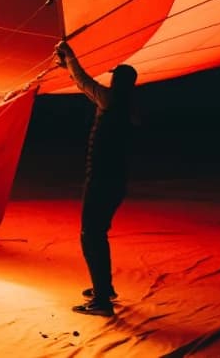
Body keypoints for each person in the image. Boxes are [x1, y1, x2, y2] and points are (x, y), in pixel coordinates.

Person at [54, 39, 138, 317]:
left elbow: (85, 82)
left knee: (90, 235)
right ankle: (105, 288)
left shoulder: (112, 100)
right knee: (97, 233)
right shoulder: (124, 104)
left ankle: (102, 300)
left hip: (101, 181)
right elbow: (86, 88)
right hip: (115, 182)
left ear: (118, 82)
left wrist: (70, 58)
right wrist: (68, 66)